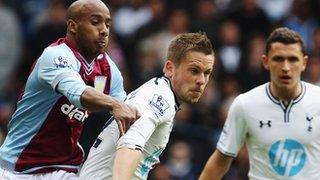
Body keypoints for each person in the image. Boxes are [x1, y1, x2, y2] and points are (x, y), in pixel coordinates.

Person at [0, 0, 140, 179]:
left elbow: (125, 112)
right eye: (95, 22)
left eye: (107, 24)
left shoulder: (108, 68)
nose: (104, 30)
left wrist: (141, 147)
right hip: (19, 167)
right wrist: (114, 104)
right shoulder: (55, 56)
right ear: (73, 26)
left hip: (65, 167)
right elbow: (79, 94)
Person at [79, 32, 215, 180]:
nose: (201, 80)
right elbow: (129, 145)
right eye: (194, 70)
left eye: (207, 73)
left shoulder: (158, 92)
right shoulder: (161, 99)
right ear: (169, 68)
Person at [199, 27, 320, 179]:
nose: (286, 67)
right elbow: (220, 161)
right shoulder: (245, 104)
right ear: (265, 61)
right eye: (278, 59)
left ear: (304, 63)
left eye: (293, 59)